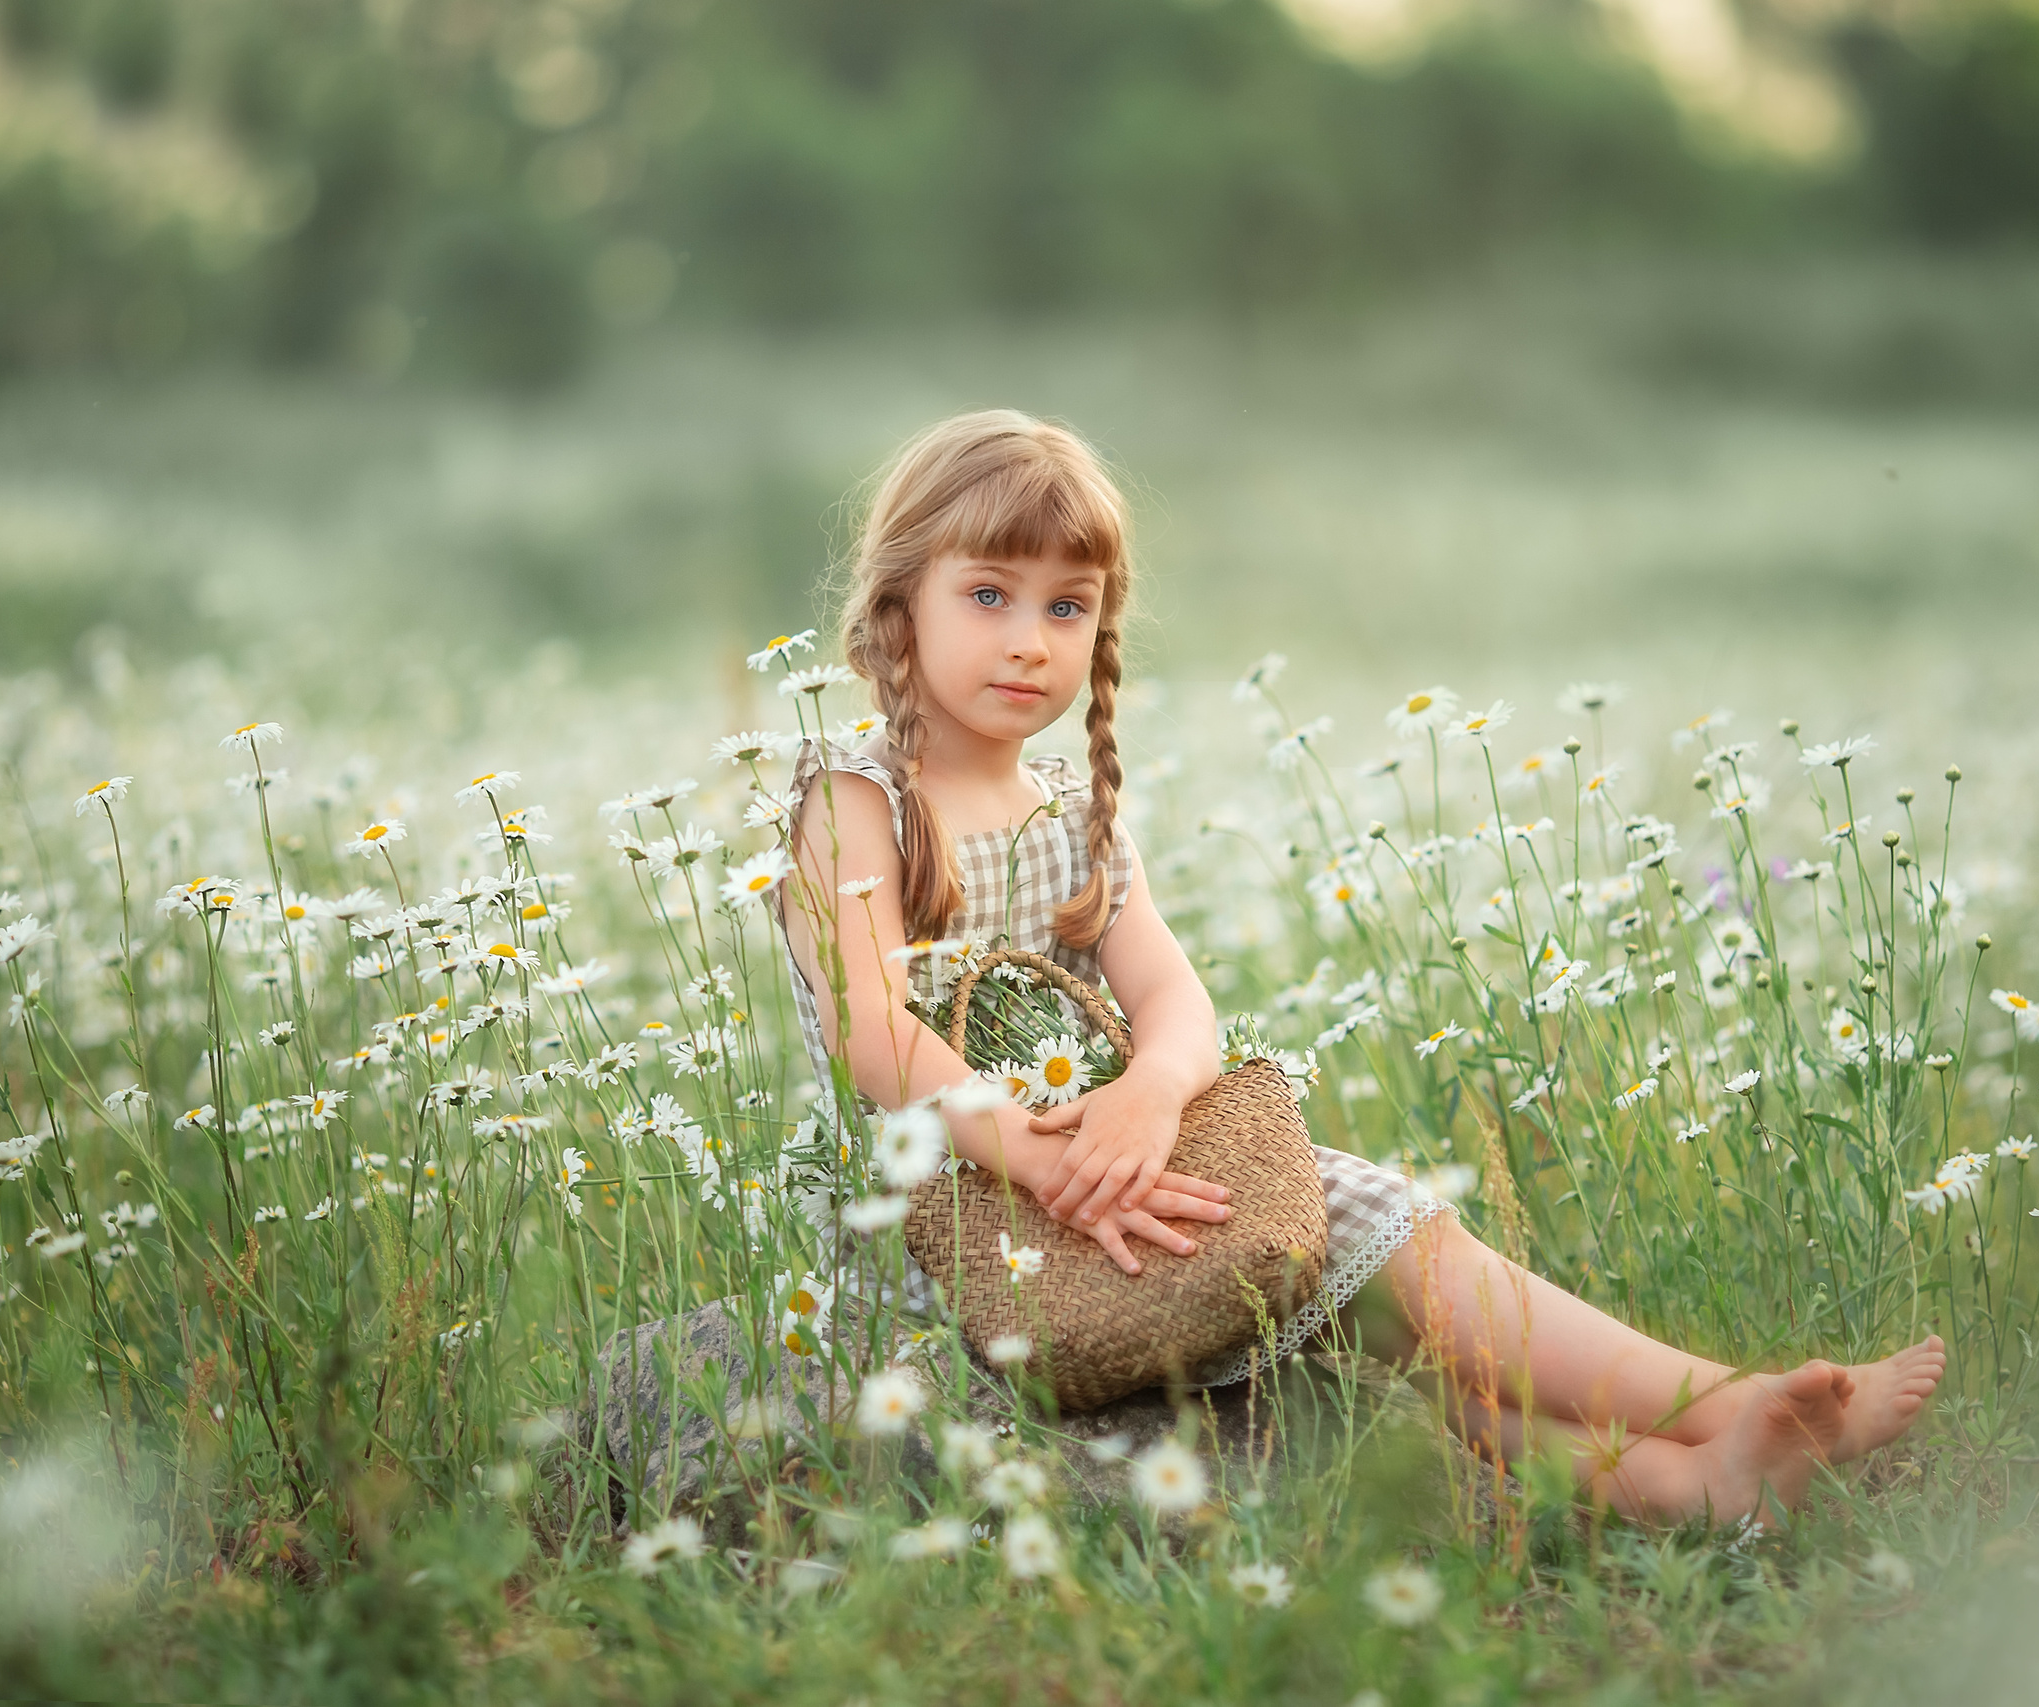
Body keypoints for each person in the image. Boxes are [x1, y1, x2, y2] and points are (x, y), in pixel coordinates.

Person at [775, 409, 1944, 1525]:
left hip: (1106, 1156)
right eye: (988, 595)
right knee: (1363, 1254)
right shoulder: (857, 799)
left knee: (1376, 1298)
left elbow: (1174, 998)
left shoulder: (1074, 810)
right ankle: (1728, 1407)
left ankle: (1690, 1480)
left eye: (1067, 607)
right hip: (947, 1204)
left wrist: (1148, 1095)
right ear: (896, 605)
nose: (1031, 640)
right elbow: (869, 1029)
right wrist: (1034, 1152)